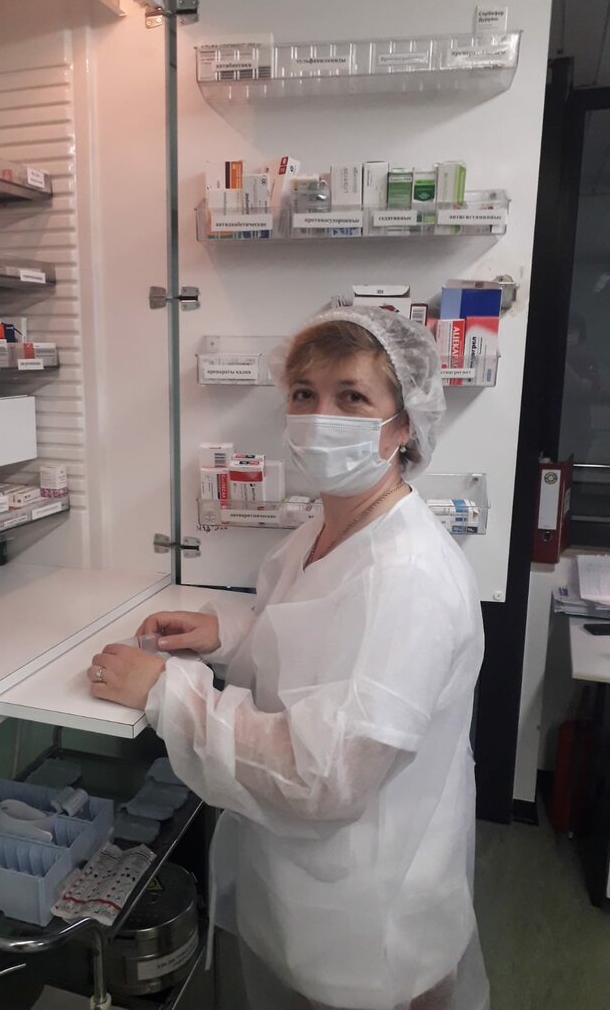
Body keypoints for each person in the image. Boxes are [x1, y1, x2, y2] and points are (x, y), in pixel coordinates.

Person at [85, 307, 489, 1010]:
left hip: (371, 917)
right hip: (310, 885)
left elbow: (327, 773)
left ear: (403, 426)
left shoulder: (408, 579)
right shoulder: (327, 530)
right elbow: (313, 640)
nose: (320, 416)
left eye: (351, 396)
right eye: (305, 393)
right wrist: (224, 635)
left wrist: (168, 692)